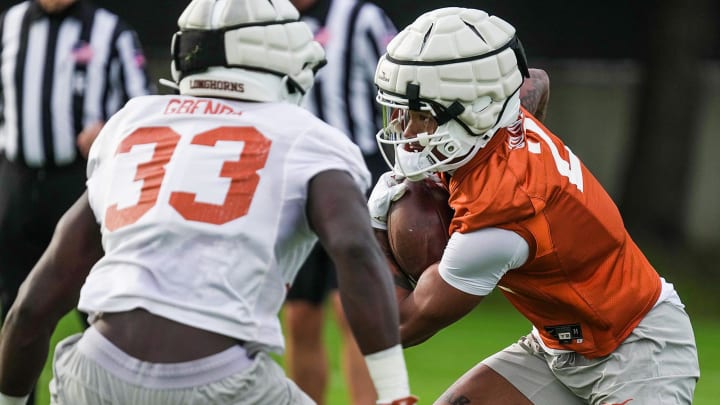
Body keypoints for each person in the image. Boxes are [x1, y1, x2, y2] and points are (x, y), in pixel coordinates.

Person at [0, 0, 418, 404]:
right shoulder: (308, 137)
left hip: (93, 372)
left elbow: (34, 305)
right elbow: (352, 247)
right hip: (219, 379)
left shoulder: (132, 123)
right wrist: (395, 389)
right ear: (280, 54)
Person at [368, 7, 700, 405]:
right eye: (402, 113)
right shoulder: (502, 115)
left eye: (421, 116)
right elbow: (535, 83)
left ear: (475, 112)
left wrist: (376, 230)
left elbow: (398, 328)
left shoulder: (498, 220)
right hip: (556, 347)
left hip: (635, 349)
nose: (405, 133)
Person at [0, 0, 153, 403]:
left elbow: (144, 107)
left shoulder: (111, 32)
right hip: (15, 184)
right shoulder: (10, 24)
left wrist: (108, 129)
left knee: (100, 308)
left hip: (82, 186)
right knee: (16, 311)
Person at [283, 0, 397, 404]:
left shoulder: (359, 15)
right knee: (298, 317)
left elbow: (399, 85)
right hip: (292, 176)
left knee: (351, 308)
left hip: (354, 172)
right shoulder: (269, 21)